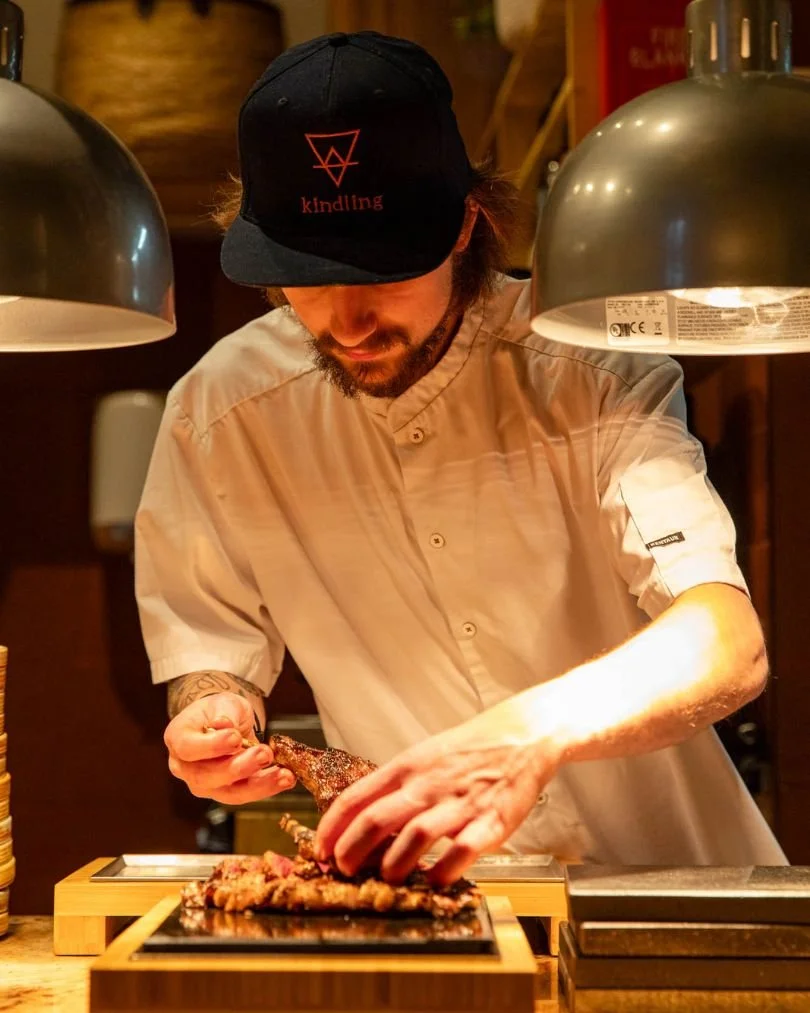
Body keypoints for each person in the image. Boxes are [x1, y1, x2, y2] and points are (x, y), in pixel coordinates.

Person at [135, 30, 786, 886]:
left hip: (668, 888)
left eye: (382, 274)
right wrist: (213, 710)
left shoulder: (589, 367)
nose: (346, 320)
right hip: (431, 905)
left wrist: (518, 740)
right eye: (307, 278)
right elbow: (209, 643)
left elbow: (725, 643)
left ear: (466, 223)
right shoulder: (220, 412)